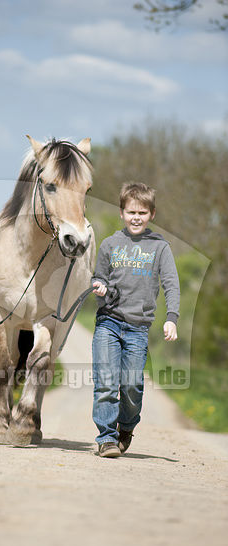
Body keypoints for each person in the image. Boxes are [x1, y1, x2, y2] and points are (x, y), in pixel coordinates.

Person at [92, 182, 180, 458]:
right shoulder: (109, 245)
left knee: (132, 388)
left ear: (152, 214)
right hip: (109, 322)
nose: (136, 217)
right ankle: (106, 438)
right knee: (105, 382)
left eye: (142, 212)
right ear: (121, 212)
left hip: (138, 329)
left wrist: (172, 318)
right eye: (131, 211)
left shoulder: (160, 247)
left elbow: (171, 285)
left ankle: (126, 427)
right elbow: (98, 277)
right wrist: (99, 286)